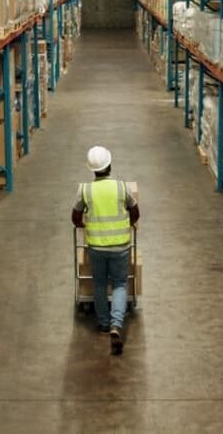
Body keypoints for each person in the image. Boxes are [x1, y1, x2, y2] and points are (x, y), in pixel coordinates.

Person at [72, 146, 139, 355]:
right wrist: (127, 223)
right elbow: (135, 212)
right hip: (120, 245)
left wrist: (87, 225)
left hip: (96, 247)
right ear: (109, 165)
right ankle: (116, 325)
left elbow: (75, 217)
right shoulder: (120, 187)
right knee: (120, 284)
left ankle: (102, 322)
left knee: (100, 283)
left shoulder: (85, 190)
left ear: (92, 170)